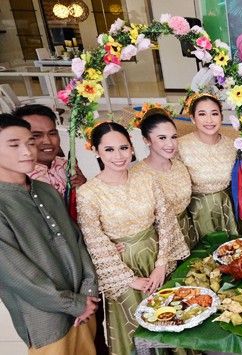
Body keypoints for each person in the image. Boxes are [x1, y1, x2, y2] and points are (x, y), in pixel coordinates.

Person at [77, 122, 189, 355]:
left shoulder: (146, 178)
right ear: (96, 151)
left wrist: (161, 265)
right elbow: (95, 242)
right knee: (138, 327)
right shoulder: (88, 193)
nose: (118, 156)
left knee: (170, 319)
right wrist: (129, 280)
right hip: (122, 270)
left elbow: (166, 221)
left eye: (123, 148)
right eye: (109, 150)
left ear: (132, 148)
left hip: (157, 258)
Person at [0, 114, 99, 355]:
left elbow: (76, 240)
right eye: (14, 145)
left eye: (29, 142)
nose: (27, 151)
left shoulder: (45, 190)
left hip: (84, 308)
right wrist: (73, 304)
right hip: (46, 320)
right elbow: (18, 275)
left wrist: (88, 291)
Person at [178, 94, 242, 239]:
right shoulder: (180, 146)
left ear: (221, 117)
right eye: (202, 114)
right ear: (193, 118)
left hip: (227, 208)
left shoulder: (232, 145)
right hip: (197, 213)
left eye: (214, 113)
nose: (209, 120)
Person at [130, 109, 195, 248]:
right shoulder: (137, 174)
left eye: (173, 137)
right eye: (162, 138)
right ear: (146, 140)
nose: (170, 144)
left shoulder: (179, 166)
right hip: (160, 243)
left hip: (189, 233)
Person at [14, 104, 86, 195]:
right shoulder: (18, 178)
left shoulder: (66, 166)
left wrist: (83, 186)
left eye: (52, 133)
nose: (47, 141)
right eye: (36, 135)